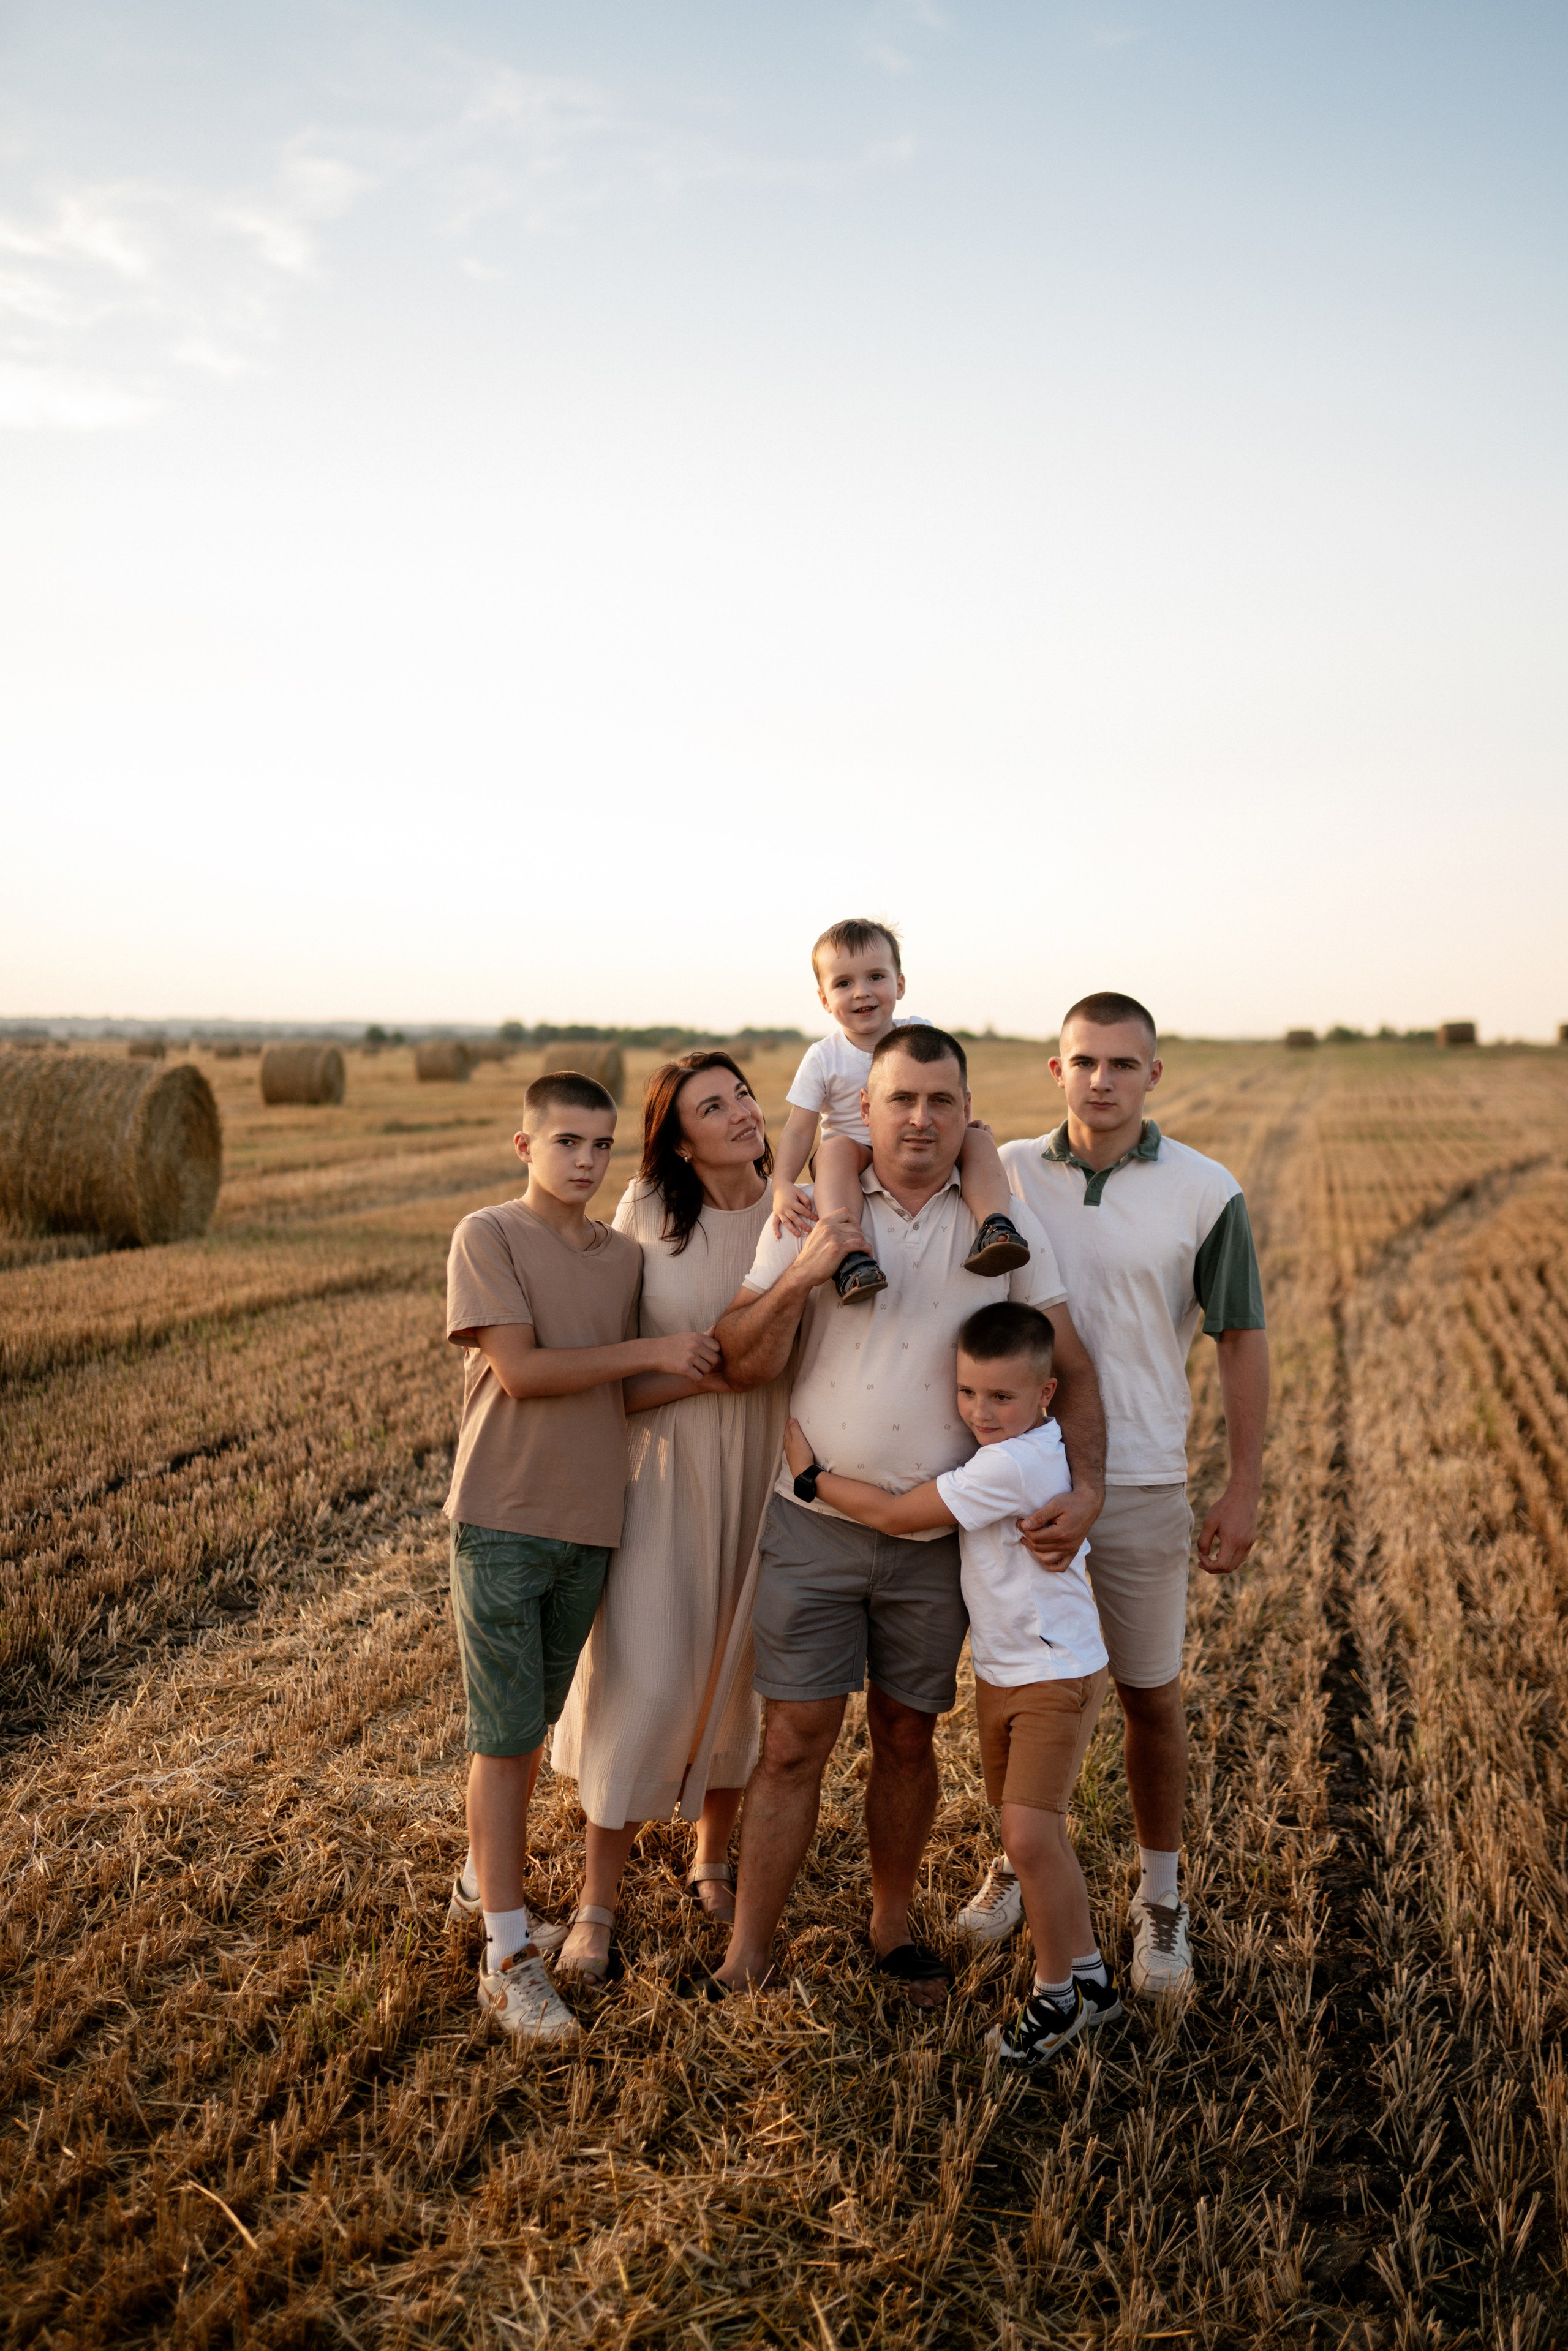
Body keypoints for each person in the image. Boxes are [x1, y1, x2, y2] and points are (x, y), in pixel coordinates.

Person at [694, 1025, 1107, 2007]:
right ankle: (749, 1950)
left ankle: (890, 1925)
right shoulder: (809, 1211)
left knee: (907, 1734)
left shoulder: (998, 1224)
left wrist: (1084, 1488)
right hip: (812, 1524)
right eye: (899, 1100)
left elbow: (1073, 1369)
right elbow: (741, 1357)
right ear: (863, 1110)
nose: (920, 1117)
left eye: (941, 1100)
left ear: (969, 1114)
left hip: (935, 1540)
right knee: (794, 1737)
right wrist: (807, 1265)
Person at [953, 991, 1269, 1997]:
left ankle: (1159, 1898)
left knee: (1150, 1697)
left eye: (1123, 1063)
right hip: (1017, 1481)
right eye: (1084, 1060)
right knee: (1011, 1689)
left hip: (1139, 1479)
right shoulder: (1005, 1178)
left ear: (1154, 1074)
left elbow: (1244, 1339)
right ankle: (1014, 1860)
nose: (1102, 1079)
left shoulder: (1206, 1189)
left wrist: (1246, 1484)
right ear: (1057, 1070)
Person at [442, 1070, 720, 2043]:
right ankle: (508, 1954)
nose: (587, 1161)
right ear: (526, 1147)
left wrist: (707, 1373)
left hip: (593, 1523)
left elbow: (616, 1395)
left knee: (529, 1730)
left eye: (602, 1145)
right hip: (504, 1517)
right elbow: (520, 1372)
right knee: (506, 1736)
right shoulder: (489, 1235)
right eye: (567, 1142)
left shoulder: (617, 1259)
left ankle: (484, 1879)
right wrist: (652, 1354)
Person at [783, 1299, 1119, 2069]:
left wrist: (812, 1476)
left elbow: (901, 1516)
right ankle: (1094, 1978)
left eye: (1000, 1396)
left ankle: (1056, 1995)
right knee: (1037, 1838)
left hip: (1050, 1672)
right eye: (968, 1392)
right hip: (1012, 1669)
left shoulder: (1011, 1464)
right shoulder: (1031, 1445)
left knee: (1029, 1839)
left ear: (1045, 1395)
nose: (979, 1411)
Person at [551, 1052, 790, 1983]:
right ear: (678, 1138)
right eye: (711, 1106)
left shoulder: (797, 1207)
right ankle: (594, 1902)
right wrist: (681, 1372)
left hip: (769, 1465)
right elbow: (609, 1366)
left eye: (743, 1096)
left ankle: (714, 1857)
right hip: (666, 1465)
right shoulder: (647, 1215)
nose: (740, 1113)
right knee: (643, 1673)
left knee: (738, 1666)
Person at [771, 918, 1031, 1302]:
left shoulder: (920, 1032)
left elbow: (950, 1088)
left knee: (978, 1139)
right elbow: (798, 1129)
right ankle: (851, 1258)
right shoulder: (824, 1057)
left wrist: (963, 1125)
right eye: (844, 983)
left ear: (900, 984)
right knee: (834, 1151)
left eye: (876, 977)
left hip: (921, 1141)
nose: (862, 993)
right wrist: (781, 1185)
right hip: (857, 1152)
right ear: (824, 999)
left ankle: (995, 1227)